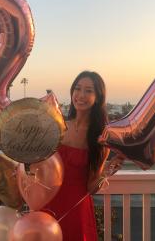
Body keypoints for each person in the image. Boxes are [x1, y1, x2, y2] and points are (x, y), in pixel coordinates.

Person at [44, 71, 110, 241]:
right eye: (77, 89)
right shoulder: (57, 126)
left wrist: (107, 171)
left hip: (75, 209)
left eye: (88, 91)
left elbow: (91, 188)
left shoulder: (100, 138)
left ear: (98, 97)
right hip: (46, 203)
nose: (81, 95)